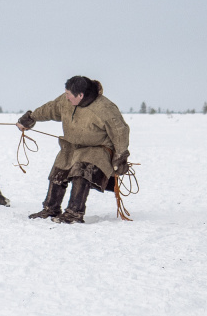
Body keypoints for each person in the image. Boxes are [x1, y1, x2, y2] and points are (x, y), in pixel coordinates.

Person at [16, 76, 130, 224]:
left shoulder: (105, 108)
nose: (66, 97)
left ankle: (74, 213)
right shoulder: (65, 101)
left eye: (69, 94)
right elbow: (50, 109)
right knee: (58, 171)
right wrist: (31, 118)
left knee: (81, 172)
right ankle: (51, 208)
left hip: (97, 149)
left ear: (80, 95)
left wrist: (120, 156)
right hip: (72, 146)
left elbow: (120, 131)